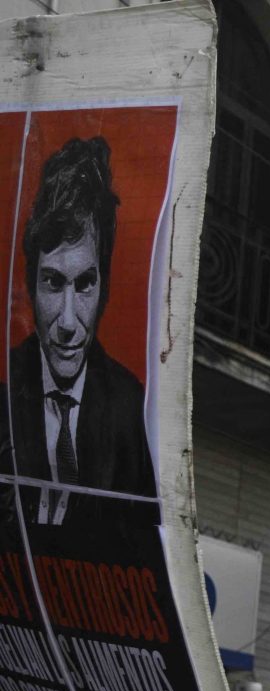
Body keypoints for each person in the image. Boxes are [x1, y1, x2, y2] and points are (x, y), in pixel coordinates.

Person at [7, 136, 156, 514]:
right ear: (31, 286)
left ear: (103, 285)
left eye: (85, 283)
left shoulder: (129, 406)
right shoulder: (5, 387)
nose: (69, 323)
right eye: (53, 282)